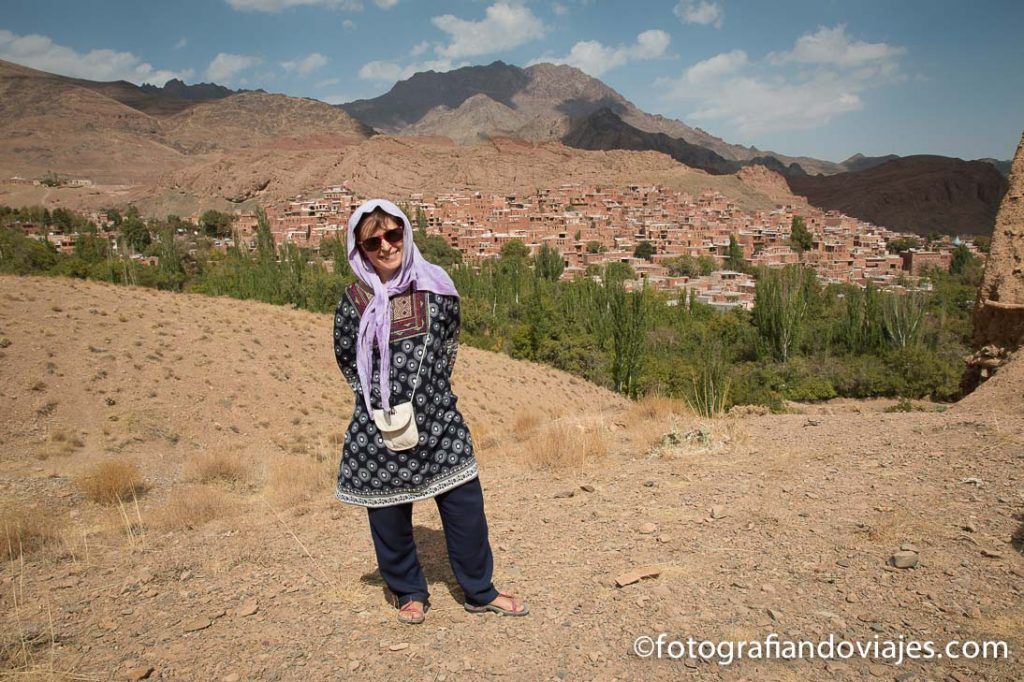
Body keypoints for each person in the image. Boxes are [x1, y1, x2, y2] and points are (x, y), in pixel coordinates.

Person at [332, 198, 529, 625]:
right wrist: (382, 405)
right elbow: (349, 360)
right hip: (379, 426)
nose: (385, 246)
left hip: (439, 419)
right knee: (387, 516)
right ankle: (409, 591)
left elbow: (448, 348)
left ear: (406, 232)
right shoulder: (353, 302)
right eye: (373, 241)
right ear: (360, 250)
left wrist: (427, 396)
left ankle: (480, 590)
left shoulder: (436, 287)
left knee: (465, 507)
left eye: (393, 234)